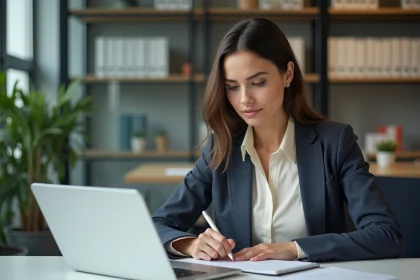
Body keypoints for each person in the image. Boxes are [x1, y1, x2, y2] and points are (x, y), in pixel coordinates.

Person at [152, 17, 403, 263]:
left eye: (257, 83)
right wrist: (192, 244)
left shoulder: (335, 143)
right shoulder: (222, 148)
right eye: (232, 87)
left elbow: (385, 235)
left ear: (288, 74)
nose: (244, 99)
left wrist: (295, 249)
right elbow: (158, 224)